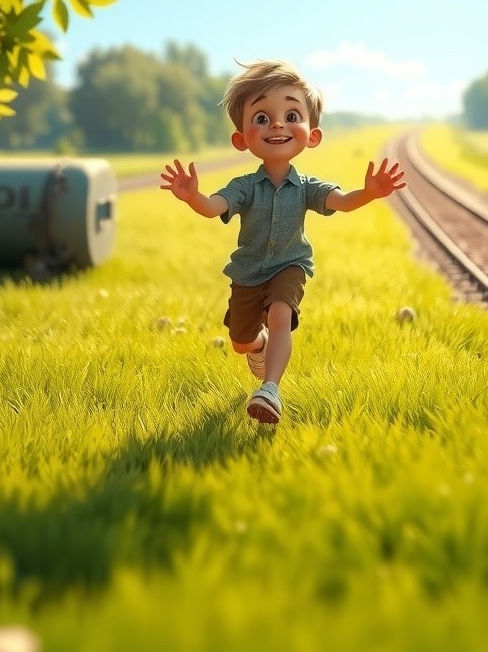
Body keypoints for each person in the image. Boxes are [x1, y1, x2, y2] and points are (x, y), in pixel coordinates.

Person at [160, 59, 406, 426]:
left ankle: (270, 388)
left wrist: (369, 193)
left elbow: (340, 201)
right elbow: (214, 208)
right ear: (241, 139)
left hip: (290, 265)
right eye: (262, 118)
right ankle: (257, 348)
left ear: (313, 134)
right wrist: (192, 196)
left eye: (292, 115)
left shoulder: (308, 187)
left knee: (280, 315)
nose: (277, 124)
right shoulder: (244, 186)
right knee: (241, 341)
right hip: (247, 272)